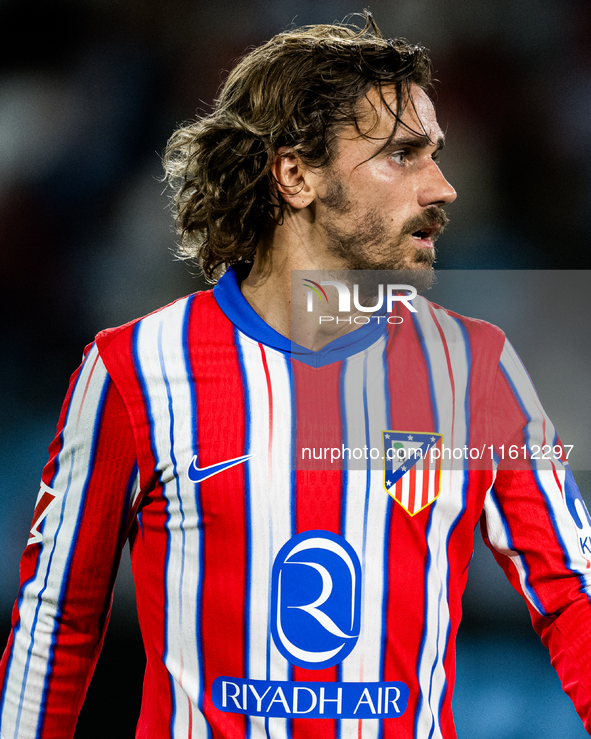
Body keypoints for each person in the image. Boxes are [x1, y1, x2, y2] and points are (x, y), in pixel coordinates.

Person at [1, 12, 591, 739]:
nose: (442, 187)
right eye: (402, 156)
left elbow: (574, 593)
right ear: (295, 174)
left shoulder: (476, 368)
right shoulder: (135, 367)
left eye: (434, 155)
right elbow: (58, 617)